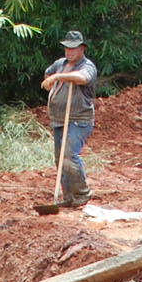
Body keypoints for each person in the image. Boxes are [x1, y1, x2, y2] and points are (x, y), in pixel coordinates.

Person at [40, 30, 98, 207]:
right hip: (58, 119)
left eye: (73, 48)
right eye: (67, 48)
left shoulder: (87, 66)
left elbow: (81, 78)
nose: (69, 52)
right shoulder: (60, 63)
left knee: (68, 156)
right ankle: (68, 197)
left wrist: (59, 77)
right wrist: (51, 80)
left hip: (78, 119)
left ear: (82, 48)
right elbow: (48, 72)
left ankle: (82, 193)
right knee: (60, 159)